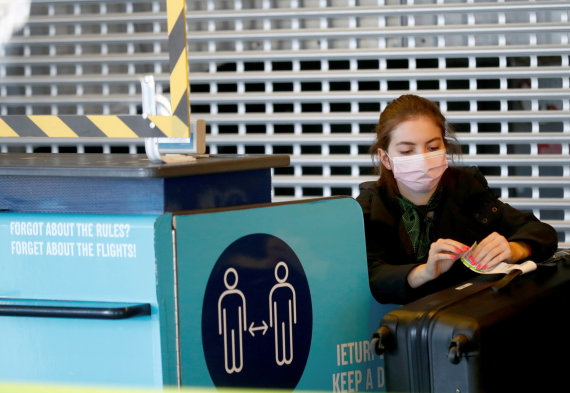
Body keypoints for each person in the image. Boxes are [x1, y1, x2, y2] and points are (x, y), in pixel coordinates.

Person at [357, 94, 558, 305]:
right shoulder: (370, 207)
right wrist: (424, 272)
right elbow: (368, 277)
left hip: (469, 317)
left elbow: (542, 232)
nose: (423, 159)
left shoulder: (465, 187)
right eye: (407, 151)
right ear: (385, 159)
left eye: (433, 148)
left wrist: (515, 249)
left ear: (445, 148)